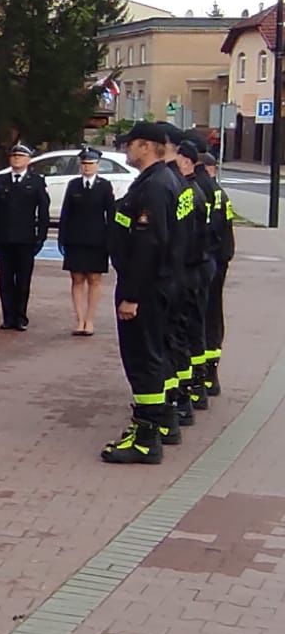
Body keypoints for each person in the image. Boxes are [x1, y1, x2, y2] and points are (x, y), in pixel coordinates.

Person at [101, 122, 176, 465]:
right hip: (150, 285)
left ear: (145, 146)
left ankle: (146, 439)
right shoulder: (154, 181)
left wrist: (131, 295)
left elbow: (148, 245)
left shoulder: (156, 186)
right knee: (148, 358)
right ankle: (151, 427)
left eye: (130, 144)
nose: (126, 150)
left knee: (143, 360)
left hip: (144, 288)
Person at [0, 142, 50, 329]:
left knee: (23, 281)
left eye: (20, 156)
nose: (16, 159)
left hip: (26, 239)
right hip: (4, 238)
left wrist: (41, 236)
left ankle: (20, 317)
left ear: (28, 160)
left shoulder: (36, 181)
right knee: (5, 280)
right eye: (14, 156)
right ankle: (7, 317)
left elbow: (43, 212)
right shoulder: (1, 180)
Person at [172, 139, 212, 419]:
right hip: (195, 268)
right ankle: (194, 385)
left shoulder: (191, 193)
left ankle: (189, 390)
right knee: (191, 330)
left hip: (190, 270)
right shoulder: (194, 189)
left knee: (186, 332)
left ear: (186, 161)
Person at [57, 147, 115, 336]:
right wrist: (62, 238)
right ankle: (79, 319)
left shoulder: (104, 186)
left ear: (97, 165)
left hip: (97, 240)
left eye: (90, 164)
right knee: (77, 278)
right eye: (84, 164)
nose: (87, 167)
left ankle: (90, 320)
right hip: (75, 239)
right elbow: (66, 212)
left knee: (94, 279)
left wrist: (111, 240)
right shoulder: (73, 185)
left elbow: (111, 214)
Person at [195, 148, 234, 396]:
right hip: (219, 261)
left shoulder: (202, 191)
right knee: (214, 316)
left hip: (205, 262)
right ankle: (211, 374)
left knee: (201, 318)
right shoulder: (221, 193)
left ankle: (202, 376)